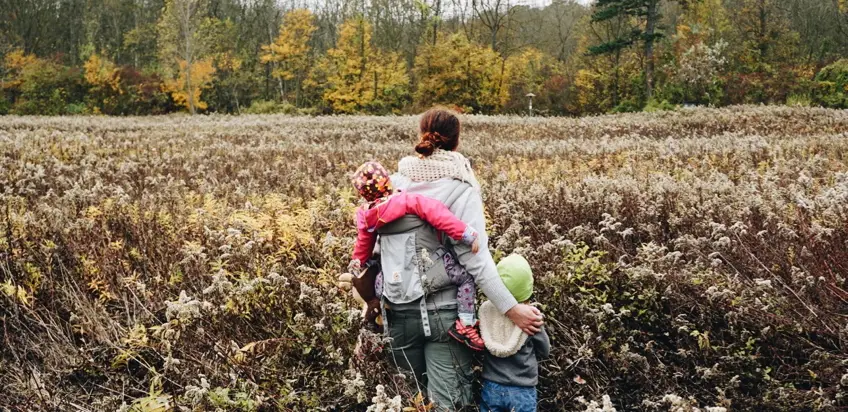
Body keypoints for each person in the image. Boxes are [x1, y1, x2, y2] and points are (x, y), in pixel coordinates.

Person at [376, 107, 543, 410]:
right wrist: (512, 309)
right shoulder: (460, 186)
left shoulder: (392, 185)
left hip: (397, 312)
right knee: (447, 405)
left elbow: (374, 247)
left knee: (406, 401)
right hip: (446, 318)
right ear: (456, 141)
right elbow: (474, 257)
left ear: (421, 135)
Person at [347, 161, 485, 350]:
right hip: (431, 273)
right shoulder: (408, 200)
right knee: (465, 279)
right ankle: (466, 323)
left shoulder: (367, 216)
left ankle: (376, 321)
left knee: (379, 289)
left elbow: (363, 243)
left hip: (390, 284)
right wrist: (465, 233)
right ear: (387, 182)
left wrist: (358, 263)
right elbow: (440, 216)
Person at [478, 254, 550, 412]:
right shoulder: (531, 318)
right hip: (522, 388)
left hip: (491, 386)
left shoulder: (487, 312)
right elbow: (545, 350)